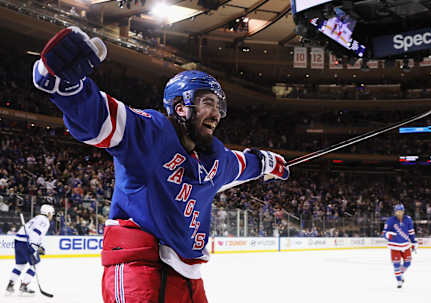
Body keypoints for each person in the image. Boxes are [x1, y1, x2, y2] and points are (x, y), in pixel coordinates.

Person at [32, 26, 289, 303]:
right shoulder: (152, 133)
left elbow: (245, 164)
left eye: (218, 107)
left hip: (189, 277)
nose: (216, 113)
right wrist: (67, 89)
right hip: (138, 271)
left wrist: (267, 162)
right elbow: (98, 117)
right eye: (207, 103)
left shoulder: (217, 158)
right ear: (180, 107)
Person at [5, 204, 54, 296]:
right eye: (51, 213)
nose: (52, 215)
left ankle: (10, 286)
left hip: (19, 241)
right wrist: (34, 247)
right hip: (27, 243)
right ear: (48, 213)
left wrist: (40, 246)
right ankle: (24, 286)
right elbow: (36, 233)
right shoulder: (45, 221)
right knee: (36, 264)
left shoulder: (37, 218)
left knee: (19, 266)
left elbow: (34, 233)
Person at [382, 203, 417, 288]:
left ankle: (399, 275)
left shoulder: (408, 219)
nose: (399, 213)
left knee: (408, 263)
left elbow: (411, 232)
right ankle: (399, 280)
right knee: (396, 265)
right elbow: (384, 233)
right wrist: (387, 235)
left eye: (400, 211)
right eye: (397, 211)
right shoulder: (390, 220)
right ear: (395, 212)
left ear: (403, 211)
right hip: (394, 246)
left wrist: (413, 242)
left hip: (405, 246)